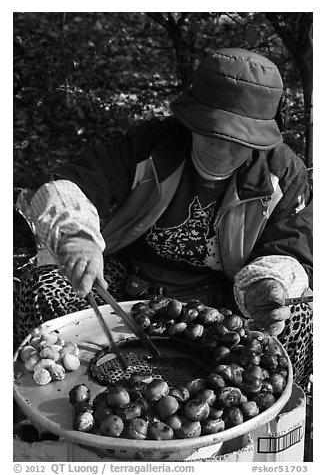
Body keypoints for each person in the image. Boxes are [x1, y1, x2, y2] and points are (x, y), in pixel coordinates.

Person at [14, 48, 312, 389]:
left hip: (226, 295)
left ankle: (275, 426)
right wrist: (75, 237)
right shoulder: (151, 144)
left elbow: (295, 248)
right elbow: (70, 184)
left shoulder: (282, 173)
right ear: (192, 120)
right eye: (211, 133)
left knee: (295, 316)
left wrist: (268, 284)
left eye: (238, 141)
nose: (221, 150)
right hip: (133, 280)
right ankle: (52, 411)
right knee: (46, 288)